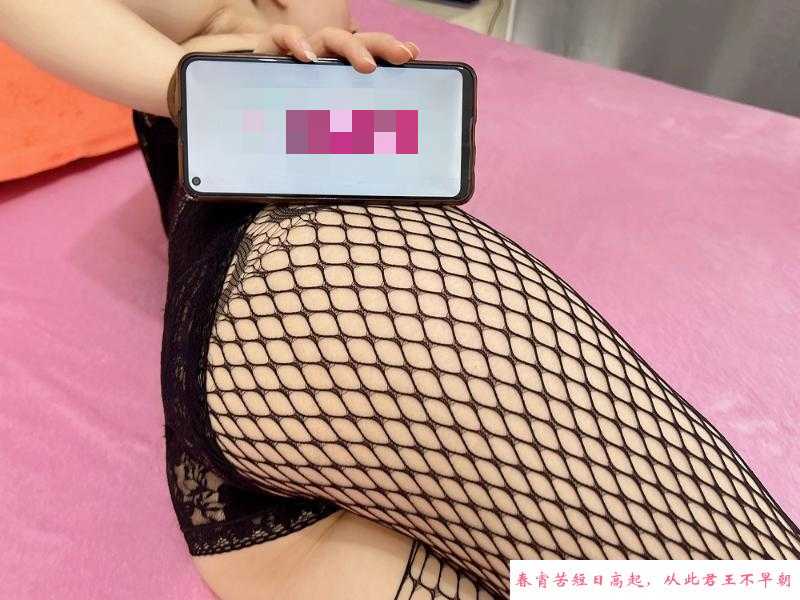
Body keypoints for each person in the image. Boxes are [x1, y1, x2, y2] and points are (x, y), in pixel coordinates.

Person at [3, 2, 799, 599]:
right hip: (296, 272)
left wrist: (323, 56)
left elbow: (318, 32)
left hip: (261, 450)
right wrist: (202, 82)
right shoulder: (180, 64)